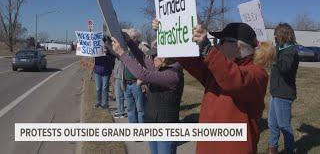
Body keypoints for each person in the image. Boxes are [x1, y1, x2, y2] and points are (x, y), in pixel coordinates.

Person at [153, 20, 276, 154]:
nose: (217, 46)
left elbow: (234, 79)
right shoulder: (217, 68)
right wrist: (166, 34)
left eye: (221, 42)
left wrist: (208, 50)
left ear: (237, 47)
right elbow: (191, 61)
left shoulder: (257, 74)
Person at [111, 35, 184, 154]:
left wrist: (122, 54)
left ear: (166, 57)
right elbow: (143, 58)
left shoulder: (173, 75)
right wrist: (129, 41)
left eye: (155, 55)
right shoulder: (160, 67)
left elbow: (143, 75)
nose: (152, 58)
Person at [268, 23, 299, 154]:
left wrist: (274, 56)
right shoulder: (280, 49)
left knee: (284, 126)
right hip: (276, 93)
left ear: (283, 35)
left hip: (284, 94)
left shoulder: (290, 50)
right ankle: (272, 149)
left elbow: (285, 68)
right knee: (272, 125)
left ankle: (289, 150)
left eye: (276, 34)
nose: (274, 36)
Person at [121, 28, 145, 124]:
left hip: (137, 84)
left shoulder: (142, 48)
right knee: (130, 110)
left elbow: (149, 63)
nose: (127, 40)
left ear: (135, 38)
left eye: (129, 38)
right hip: (127, 84)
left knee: (140, 110)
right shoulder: (126, 49)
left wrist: (142, 80)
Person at [93, 36, 115, 109]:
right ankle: (98, 102)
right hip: (97, 71)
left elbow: (113, 59)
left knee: (104, 88)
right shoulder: (97, 49)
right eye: (103, 41)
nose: (104, 43)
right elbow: (92, 55)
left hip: (106, 71)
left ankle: (105, 103)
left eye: (105, 41)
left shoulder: (110, 50)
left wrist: (107, 53)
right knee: (98, 88)